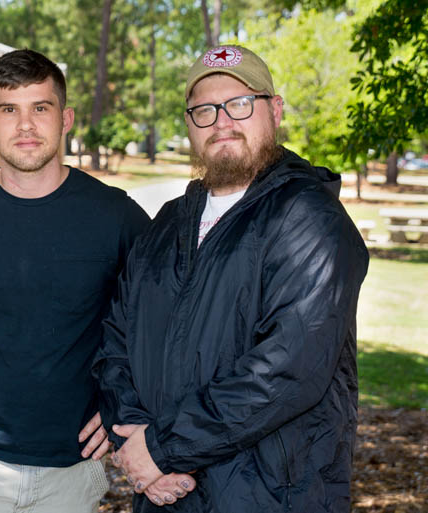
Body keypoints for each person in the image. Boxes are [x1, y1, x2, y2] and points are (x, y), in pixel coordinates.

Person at [93, 45, 369, 512]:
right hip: (166, 496)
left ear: (274, 110)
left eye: (239, 103)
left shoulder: (309, 218)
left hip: (271, 496)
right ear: (189, 124)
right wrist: (134, 440)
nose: (222, 121)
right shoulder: (167, 224)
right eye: (204, 110)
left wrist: (160, 449)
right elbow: (116, 339)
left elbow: (288, 368)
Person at [0, 49, 151, 513]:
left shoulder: (115, 216)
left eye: (41, 107)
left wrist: (126, 403)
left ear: (66, 118)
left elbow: (163, 319)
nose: (25, 125)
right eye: (9, 110)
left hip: (74, 468)